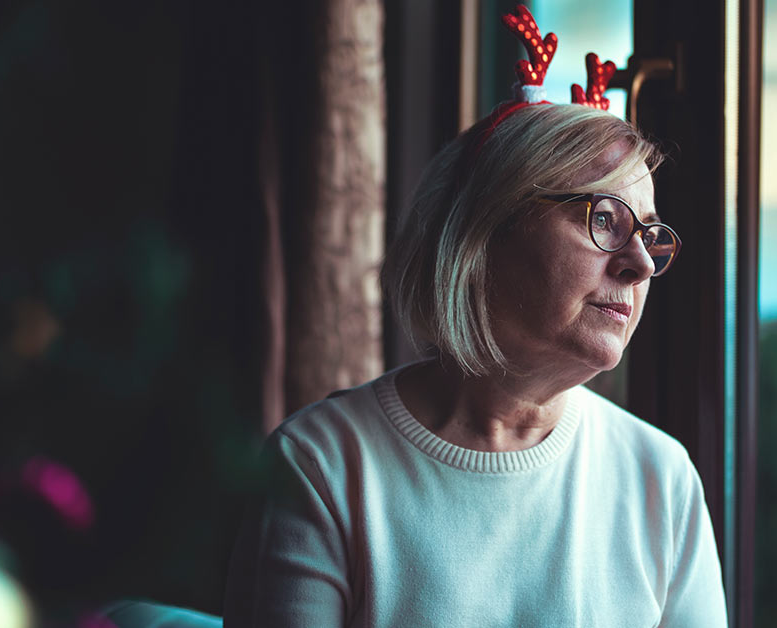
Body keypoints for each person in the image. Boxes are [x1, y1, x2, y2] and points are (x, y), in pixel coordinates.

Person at [222, 8, 727, 627]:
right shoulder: (323, 463)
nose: (641, 264)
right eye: (604, 219)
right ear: (484, 232)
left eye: (649, 234)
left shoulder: (661, 478)